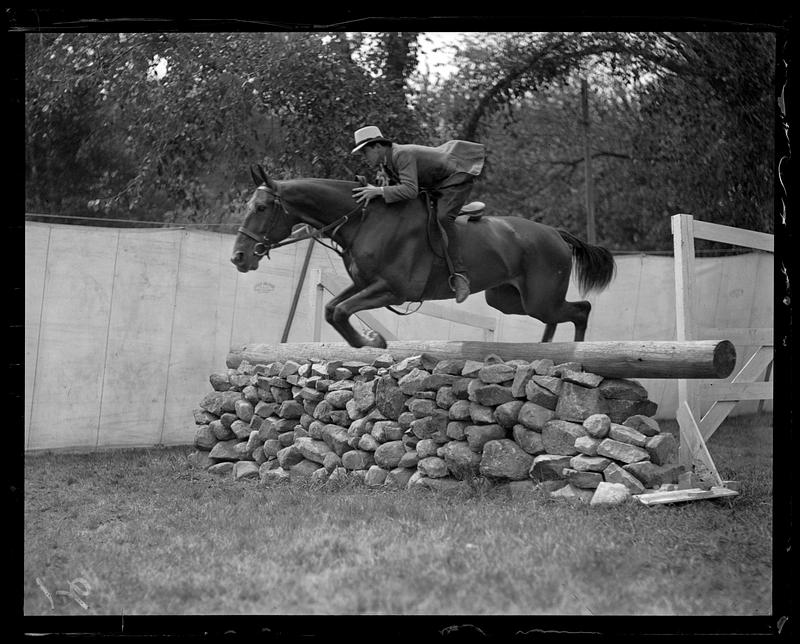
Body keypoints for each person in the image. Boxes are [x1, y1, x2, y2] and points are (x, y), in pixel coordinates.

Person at [351, 126, 485, 304]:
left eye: (365, 152)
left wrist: (379, 191)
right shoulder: (386, 162)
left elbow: (410, 190)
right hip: (436, 184)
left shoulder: (401, 155)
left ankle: (460, 276)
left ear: (377, 147)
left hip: (455, 179)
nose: (364, 158)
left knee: (443, 218)